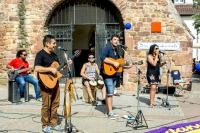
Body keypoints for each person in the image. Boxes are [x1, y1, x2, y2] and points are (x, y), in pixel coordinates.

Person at [34, 35, 71, 133]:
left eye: (55, 43)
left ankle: (53, 123)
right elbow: (37, 68)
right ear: (47, 43)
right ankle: (45, 125)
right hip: (44, 83)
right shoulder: (40, 54)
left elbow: (58, 69)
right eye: (53, 43)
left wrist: (66, 65)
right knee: (46, 105)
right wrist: (50, 69)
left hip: (54, 82)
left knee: (55, 103)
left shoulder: (54, 55)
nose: (55, 45)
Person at [101, 34, 125, 119]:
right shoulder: (107, 48)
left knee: (110, 93)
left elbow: (119, 62)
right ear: (111, 40)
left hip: (114, 74)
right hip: (107, 74)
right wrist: (113, 63)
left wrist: (127, 66)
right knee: (110, 93)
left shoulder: (118, 50)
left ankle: (109, 111)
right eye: (115, 39)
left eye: (118, 40)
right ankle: (110, 112)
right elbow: (103, 58)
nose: (116, 41)